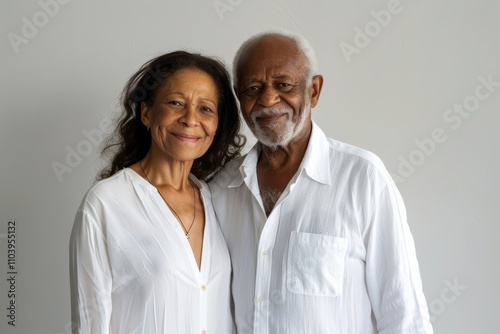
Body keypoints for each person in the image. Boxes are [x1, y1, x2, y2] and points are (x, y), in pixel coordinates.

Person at [209, 31, 433, 333]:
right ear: (239, 97)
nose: (268, 99)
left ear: (313, 90)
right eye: (253, 88)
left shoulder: (362, 178)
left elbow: (404, 315)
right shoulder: (222, 188)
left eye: (283, 84)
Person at [69, 50, 245, 333]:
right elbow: (90, 325)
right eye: (176, 103)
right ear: (147, 113)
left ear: (216, 125)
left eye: (205, 108)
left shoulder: (220, 199)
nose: (190, 118)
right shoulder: (106, 204)